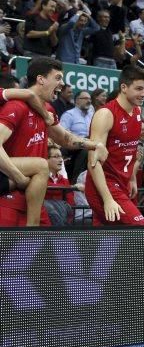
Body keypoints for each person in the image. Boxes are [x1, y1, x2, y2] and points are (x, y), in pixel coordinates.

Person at [0, 58, 108, 226]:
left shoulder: (48, 110)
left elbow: (66, 139)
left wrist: (95, 144)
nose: (62, 84)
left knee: (43, 249)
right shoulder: (16, 106)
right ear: (41, 79)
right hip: (9, 199)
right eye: (57, 78)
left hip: (34, 197)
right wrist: (19, 178)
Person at [85, 66, 144, 225]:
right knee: (141, 232)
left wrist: (133, 178)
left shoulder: (137, 111)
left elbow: (131, 147)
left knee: (110, 242)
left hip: (123, 183)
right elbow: (93, 162)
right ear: (124, 87)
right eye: (139, 89)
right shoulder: (105, 114)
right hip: (103, 185)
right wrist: (107, 199)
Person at [43, 145, 74, 225]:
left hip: (63, 217)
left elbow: (71, 203)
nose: (60, 160)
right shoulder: (39, 178)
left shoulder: (65, 181)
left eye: (61, 157)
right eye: (56, 157)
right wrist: (74, 187)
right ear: (46, 159)